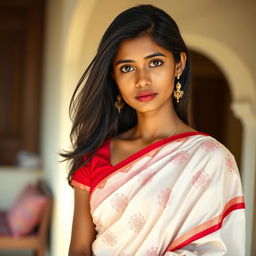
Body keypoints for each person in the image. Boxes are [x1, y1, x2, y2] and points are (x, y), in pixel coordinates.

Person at [63, 4, 246, 256]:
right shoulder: (94, 155)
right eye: (127, 67)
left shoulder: (211, 159)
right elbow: (80, 250)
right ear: (113, 77)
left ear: (178, 65)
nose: (142, 79)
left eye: (155, 62)